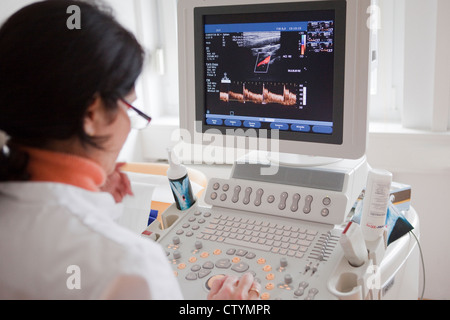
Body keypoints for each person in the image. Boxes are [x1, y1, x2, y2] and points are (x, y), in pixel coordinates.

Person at [0, 0, 261, 300]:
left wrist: (88, 199)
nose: (129, 122)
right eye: (129, 105)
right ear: (92, 115)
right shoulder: (133, 265)